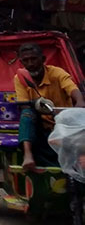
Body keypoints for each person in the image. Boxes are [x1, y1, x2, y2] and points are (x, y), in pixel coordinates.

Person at [15, 43, 85, 171]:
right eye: (26, 60)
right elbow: (23, 103)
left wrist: (80, 101)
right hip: (40, 126)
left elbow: (71, 88)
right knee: (27, 113)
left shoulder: (57, 73)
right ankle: (28, 155)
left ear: (43, 59)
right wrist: (37, 105)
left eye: (34, 59)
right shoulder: (20, 78)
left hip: (64, 123)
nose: (30, 64)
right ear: (21, 62)